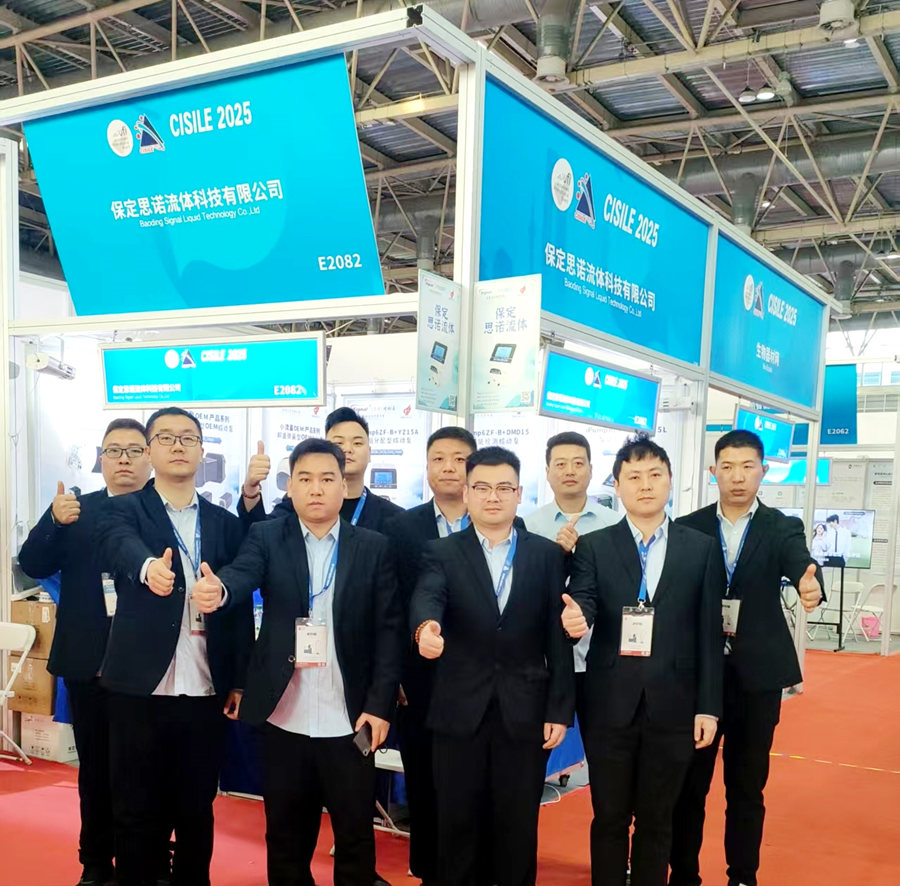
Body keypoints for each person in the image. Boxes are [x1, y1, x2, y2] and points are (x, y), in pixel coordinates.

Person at [192, 438, 404, 886]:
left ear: (344, 485)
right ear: (290, 487)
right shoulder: (268, 537)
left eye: (327, 479)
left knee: (355, 837)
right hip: (285, 715)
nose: (316, 489)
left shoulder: (374, 547)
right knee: (286, 839)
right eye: (304, 479)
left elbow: (389, 632)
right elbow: (242, 573)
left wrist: (380, 705)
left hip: (351, 719)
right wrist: (221, 590)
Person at [95, 407, 253, 886]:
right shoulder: (123, 510)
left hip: (204, 689)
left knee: (196, 809)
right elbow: (118, 544)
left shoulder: (225, 523)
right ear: (150, 451)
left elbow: (238, 609)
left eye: (188, 437)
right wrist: (148, 568)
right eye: (166, 437)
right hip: (139, 688)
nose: (178, 445)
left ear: (203, 451)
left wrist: (238, 680)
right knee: (134, 809)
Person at [562, 433, 724, 886]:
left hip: (675, 705)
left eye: (655, 474)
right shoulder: (595, 545)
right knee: (609, 817)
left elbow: (709, 634)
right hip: (608, 703)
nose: (645, 485)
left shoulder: (700, 548)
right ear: (617, 486)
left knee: (658, 820)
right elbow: (584, 599)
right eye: (633, 477)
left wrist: (708, 707)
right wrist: (577, 616)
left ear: (670, 480)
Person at [411, 446, 574, 886]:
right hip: (459, 710)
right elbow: (428, 597)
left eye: (504, 488)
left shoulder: (545, 554)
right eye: (482, 488)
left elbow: (556, 636)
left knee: (517, 824)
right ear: (466, 493)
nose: (493, 497)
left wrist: (559, 708)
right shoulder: (441, 552)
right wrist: (426, 628)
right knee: (457, 823)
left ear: (519, 494)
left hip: (524, 710)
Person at [668, 429, 824, 886]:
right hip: (699, 676)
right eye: (728, 467)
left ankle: (742, 876)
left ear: (764, 471)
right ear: (713, 471)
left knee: (747, 787)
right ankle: (684, 875)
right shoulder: (688, 526)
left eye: (747, 467)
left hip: (757, 676)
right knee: (689, 786)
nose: (737, 477)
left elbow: (801, 562)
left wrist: (810, 585)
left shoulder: (782, 527)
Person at [18, 419, 152, 886]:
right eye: (113, 450)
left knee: (147, 771)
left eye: (133, 450)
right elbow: (32, 563)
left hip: (151, 665)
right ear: (100, 458)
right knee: (94, 769)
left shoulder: (162, 512)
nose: (123, 459)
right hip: (88, 659)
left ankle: (149, 861)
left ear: (149, 457)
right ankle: (95, 862)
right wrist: (52, 522)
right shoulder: (76, 510)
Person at [383, 425, 477, 886]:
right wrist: (396, 675)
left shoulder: (500, 522)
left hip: (481, 676)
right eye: (439, 458)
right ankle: (428, 871)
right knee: (424, 778)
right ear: (426, 467)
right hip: (420, 678)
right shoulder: (403, 528)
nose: (449, 467)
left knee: (475, 782)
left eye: (459, 458)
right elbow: (392, 604)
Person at [525, 431, 617, 725]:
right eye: (560, 464)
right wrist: (556, 555)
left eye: (578, 463)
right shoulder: (528, 526)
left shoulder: (615, 524)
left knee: (603, 743)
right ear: (547, 472)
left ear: (591, 470)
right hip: (545, 659)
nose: (570, 471)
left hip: (602, 659)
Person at [239, 407, 404, 534]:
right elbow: (258, 533)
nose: (348, 449)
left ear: (370, 453)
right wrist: (251, 489)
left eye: (357, 443)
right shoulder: (299, 502)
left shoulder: (394, 518)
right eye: (338, 443)